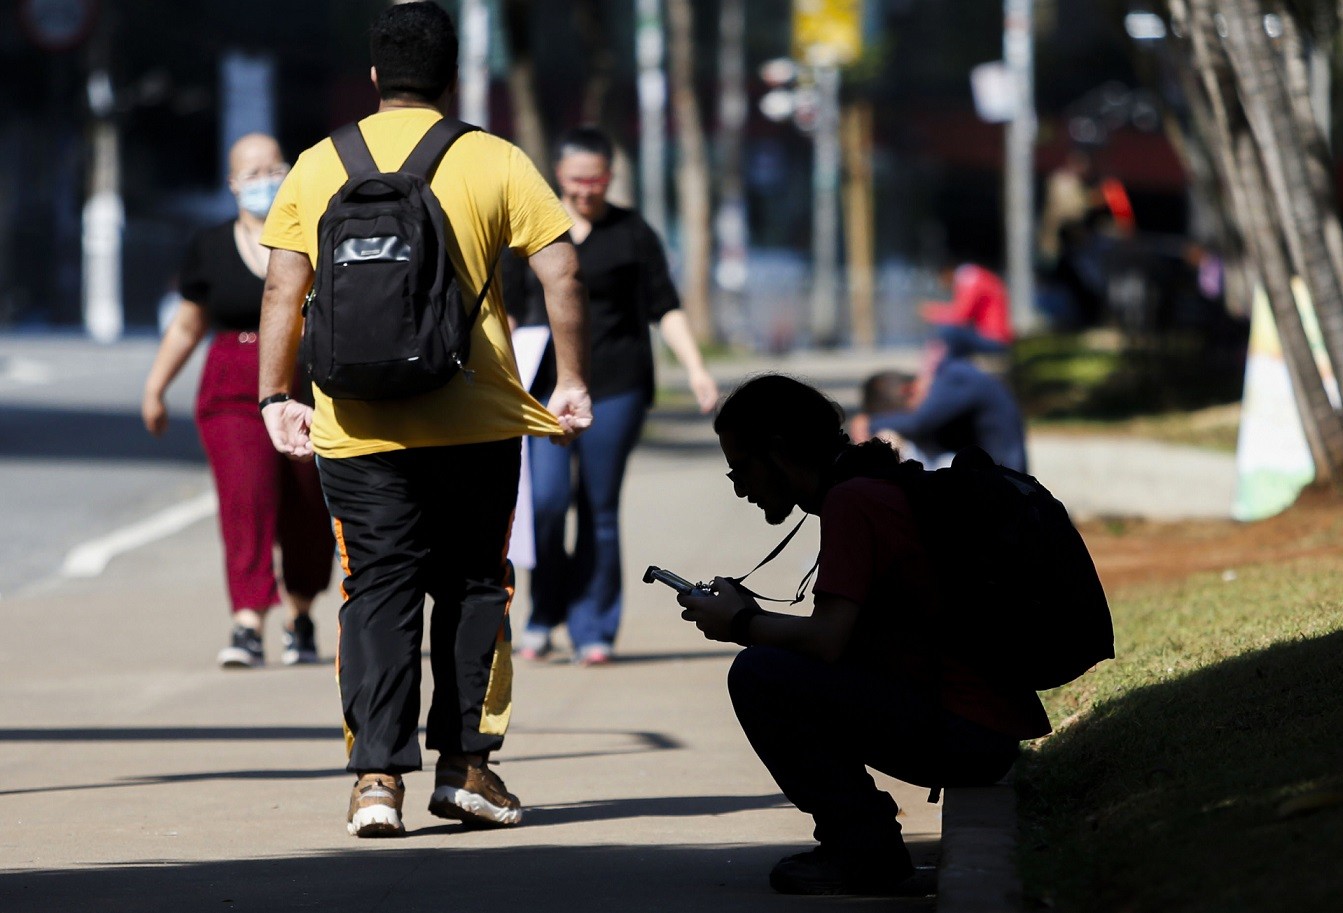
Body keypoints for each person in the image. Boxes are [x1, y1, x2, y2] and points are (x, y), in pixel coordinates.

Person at [256, 2, 592, 838]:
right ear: (450, 77)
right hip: (476, 417)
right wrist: (571, 381)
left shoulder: (318, 163)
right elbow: (562, 273)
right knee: (475, 583)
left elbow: (282, 288)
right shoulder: (495, 158)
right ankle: (466, 768)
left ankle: (375, 780)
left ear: (374, 76)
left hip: (354, 422)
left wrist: (274, 396)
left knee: (376, 589)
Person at [675, 375, 1051, 896]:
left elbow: (826, 641)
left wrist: (740, 624)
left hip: (968, 734)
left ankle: (863, 851)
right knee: (774, 665)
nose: (740, 489)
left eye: (740, 470)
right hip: (984, 729)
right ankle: (861, 842)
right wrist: (752, 617)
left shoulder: (853, 502)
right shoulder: (872, 484)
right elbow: (845, 639)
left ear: (778, 452)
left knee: (758, 674)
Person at [506, 126, 719, 666]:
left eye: (596, 180)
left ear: (610, 176)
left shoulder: (632, 233)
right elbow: (505, 311)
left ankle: (594, 626)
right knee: (546, 503)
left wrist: (696, 369)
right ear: (559, 175)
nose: (586, 190)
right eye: (576, 180)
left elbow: (664, 306)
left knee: (598, 508)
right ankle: (543, 613)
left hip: (616, 386)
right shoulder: (531, 228)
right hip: (544, 390)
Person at [141, 132, 334, 670]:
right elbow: (187, 326)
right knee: (245, 499)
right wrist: (156, 388)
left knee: (309, 505)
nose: (265, 182)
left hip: (306, 380)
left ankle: (300, 614)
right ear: (232, 184)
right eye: (252, 174)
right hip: (232, 387)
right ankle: (248, 620)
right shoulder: (209, 245)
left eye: (274, 170)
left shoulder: (315, 235)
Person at [850, 341, 1028, 473]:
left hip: (1006, 485)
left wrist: (870, 423)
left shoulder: (954, 377)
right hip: (1000, 478)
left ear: (909, 390)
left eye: (903, 414)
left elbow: (917, 423)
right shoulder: (951, 380)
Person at [918, 261, 1013, 356]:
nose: (944, 285)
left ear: (947, 273)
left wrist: (933, 312)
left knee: (947, 330)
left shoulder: (969, 278)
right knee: (950, 334)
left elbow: (960, 316)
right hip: (992, 336)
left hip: (994, 338)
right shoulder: (975, 276)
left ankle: (949, 365)